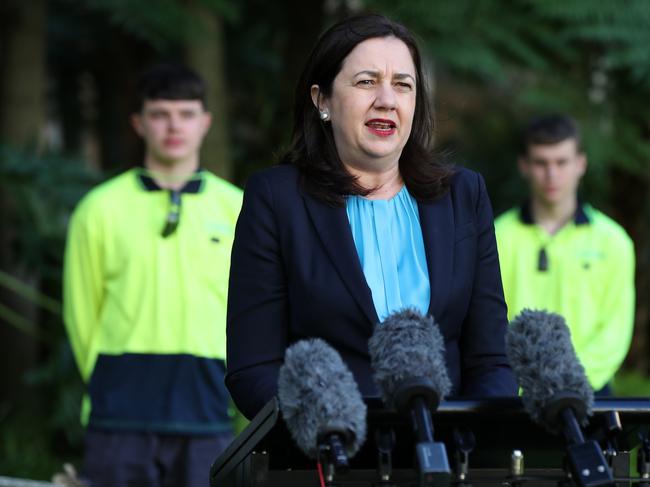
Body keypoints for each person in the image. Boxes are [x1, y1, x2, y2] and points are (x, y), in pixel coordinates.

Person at [225, 14, 518, 420]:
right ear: (322, 100)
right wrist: (326, 430)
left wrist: (472, 437)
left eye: (403, 84)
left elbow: (491, 360)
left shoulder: (463, 196)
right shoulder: (276, 199)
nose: (387, 99)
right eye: (366, 82)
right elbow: (253, 367)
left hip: (447, 458)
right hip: (327, 458)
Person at [63, 63, 243, 487]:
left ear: (205, 123)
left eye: (185, 113)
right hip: (119, 413)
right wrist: (113, 380)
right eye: (160, 114)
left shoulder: (238, 209)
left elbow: (250, 312)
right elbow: (80, 312)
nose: (173, 126)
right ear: (139, 124)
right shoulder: (99, 208)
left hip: (208, 410)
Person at [495, 114, 635, 395]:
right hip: (516, 394)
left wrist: (567, 382)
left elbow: (615, 333)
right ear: (524, 166)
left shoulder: (613, 241)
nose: (552, 174)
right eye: (541, 163)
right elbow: (488, 322)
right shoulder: (496, 236)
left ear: (580, 164)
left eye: (561, 162)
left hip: (588, 392)